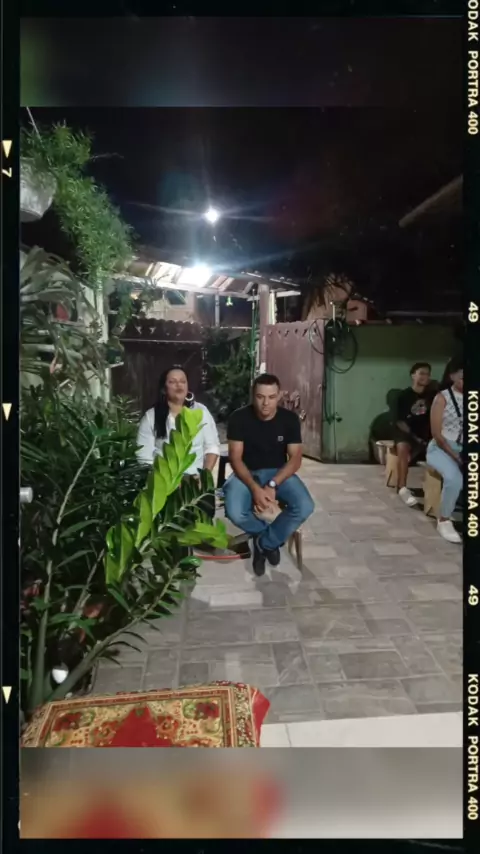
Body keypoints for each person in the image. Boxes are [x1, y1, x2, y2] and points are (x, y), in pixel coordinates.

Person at [224, 373, 315, 576]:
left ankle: (265, 543)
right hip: (246, 473)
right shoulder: (239, 418)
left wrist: (273, 484)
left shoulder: (289, 420)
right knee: (235, 511)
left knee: (305, 506)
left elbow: (295, 459)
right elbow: (235, 459)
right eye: (260, 397)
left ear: (279, 396)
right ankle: (264, 534)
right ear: (253, 395)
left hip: (278, 473)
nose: (266, 403)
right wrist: (255, 488)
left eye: (271, 397)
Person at [136, 366, 220, 474]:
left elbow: (212, 447)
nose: (179, 385)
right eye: (172, 382)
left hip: (195, 478)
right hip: (164, 479)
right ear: (163, 389)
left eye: (183, 381)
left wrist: (204, 477)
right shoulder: (151, 417)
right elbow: (144, 457)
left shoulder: (201, 411)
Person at [426, 358, 463, 544]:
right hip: (441, 448)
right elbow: (437, 434)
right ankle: (444, 520)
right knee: (454, 478)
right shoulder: (442, 398)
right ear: (452, 376)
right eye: (463, 377)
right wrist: (456, 456)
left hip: (465, 448)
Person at [393, 362, 433, 507]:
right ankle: (402, 487)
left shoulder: (433, 396)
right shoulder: (403, 396)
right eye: (421, 373)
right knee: (403, 447)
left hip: (425, 434)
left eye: (427, 374)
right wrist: (415, 438)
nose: (424, 377)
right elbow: (399, 421)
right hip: (406, 433)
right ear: (413, 375)